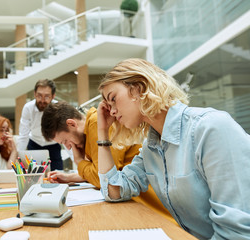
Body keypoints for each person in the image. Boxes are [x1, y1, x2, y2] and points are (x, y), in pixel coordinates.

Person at [97, 58, 250, 240]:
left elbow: (236, 232)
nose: (112, 111)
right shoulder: (151, 148)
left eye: (113, 99)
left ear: (139, 86)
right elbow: (113, 191)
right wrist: (102, 132)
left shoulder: (211, 128)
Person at [41, 101, 175, 223]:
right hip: (131, 197)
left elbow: (106, 181)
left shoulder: (95, 124)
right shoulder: (89, 130)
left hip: (147, 202)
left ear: (71, 124)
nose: (68, 147)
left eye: (65, 141)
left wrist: (80, 161)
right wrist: (73, 177)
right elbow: (100, 172)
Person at [17, 79, 63, 170]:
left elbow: (65, 134)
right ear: (34, 94)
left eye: (46, 97)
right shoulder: (28, 108)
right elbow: (23, 135)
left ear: (53, 96)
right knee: (34, 177)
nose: (42, 100)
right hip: (34, 144)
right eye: (39, 96)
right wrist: (18, 157)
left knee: (58, 176)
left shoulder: (59, 109)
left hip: (53, 145)